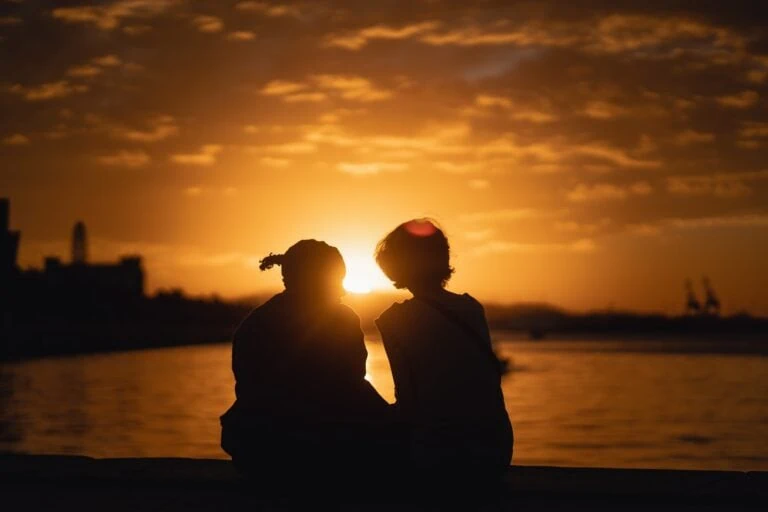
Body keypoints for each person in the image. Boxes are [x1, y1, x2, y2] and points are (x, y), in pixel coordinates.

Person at [220, 239, 393, 484]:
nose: (341, 290)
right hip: (323, 447)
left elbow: (248, 389)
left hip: (258, 450)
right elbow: (352, 384)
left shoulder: (254, 322)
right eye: (336, 281)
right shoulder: (341, 319)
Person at [374, 219, 513, 486]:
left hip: (441, 455)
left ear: (396, 264)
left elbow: (409, 403)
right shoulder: (472, 309)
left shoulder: (394, 320)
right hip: (495, 450)